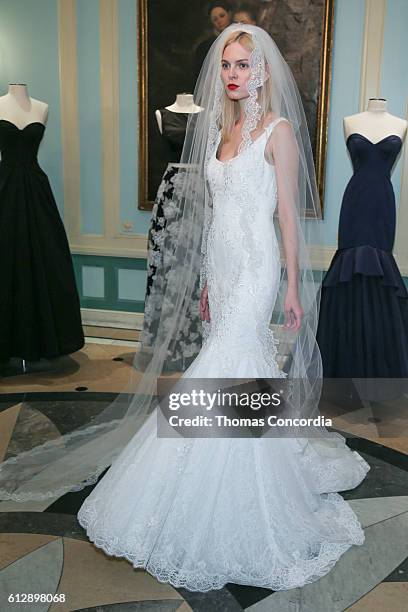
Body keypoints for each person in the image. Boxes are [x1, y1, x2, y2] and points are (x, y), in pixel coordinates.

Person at [0, 24, 370, 591]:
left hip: (256, 267)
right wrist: (203, 279)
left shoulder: (279, 132)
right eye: (226, 65)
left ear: (263, 70)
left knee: (229, 364)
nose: (232, 74)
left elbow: (288, 220)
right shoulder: (220, 131)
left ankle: (229, 484)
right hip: (221, 268)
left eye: (243, 65)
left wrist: (293, 286)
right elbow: (214, 216)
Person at [193, 2, 232, 81]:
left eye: (222, 16)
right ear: (212, 23)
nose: (219, 21)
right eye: (215, 19)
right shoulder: (205, 46)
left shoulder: (242, 38)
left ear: (229, 15)